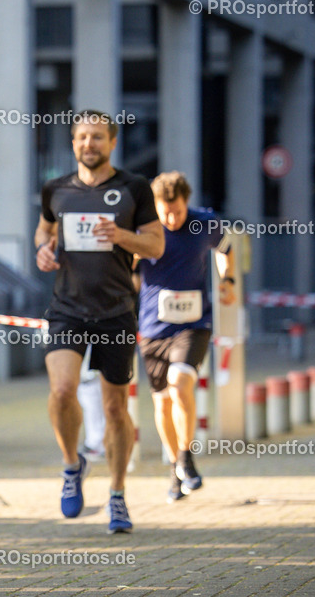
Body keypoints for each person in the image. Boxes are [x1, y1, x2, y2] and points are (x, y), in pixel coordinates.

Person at [34, 110, 164, 534]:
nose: (88, 144)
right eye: (81, 137)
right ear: (72, 143)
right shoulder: (56, 189)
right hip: (67, 308)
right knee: (61, 391)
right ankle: (73, 464)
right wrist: (44, 251)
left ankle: (118, 493)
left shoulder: (134, 188)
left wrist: (120, 236)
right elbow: (44, 231)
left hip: (115, 311)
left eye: (97, 137)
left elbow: (156, 244)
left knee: (114, 408)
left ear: (112, 142)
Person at [136, 172, 234, 501]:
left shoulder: (203, 224)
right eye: (165, 212)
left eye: (176, 211)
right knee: (162, 403)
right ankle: (174, 466)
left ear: (186, 202)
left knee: (180, 386)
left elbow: (227, 247)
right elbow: (128, 271)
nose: (171, 218)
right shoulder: (144, 228)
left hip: (193, 325)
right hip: (152, 329)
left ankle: (186, 456)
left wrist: (228, 280)